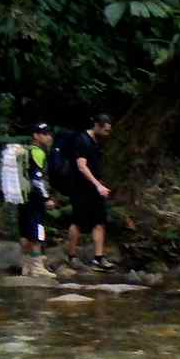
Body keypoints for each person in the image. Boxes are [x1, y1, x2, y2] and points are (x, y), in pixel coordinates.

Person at [65, 113, 114, 272]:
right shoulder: (82, 140)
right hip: (80, 188)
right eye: (105, 130)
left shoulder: (96, 142)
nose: (107, 133)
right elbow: (81, 166)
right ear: (97, 126)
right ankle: (71, 256)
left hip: (95, 189)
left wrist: (99, 185)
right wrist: (97, 185)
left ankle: (98, 258)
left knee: (99, 221)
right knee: (78, 221)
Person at [18, 123, 57, 279]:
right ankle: (37, 267)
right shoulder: (38, 152)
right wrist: (46, 198)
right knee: (37, 230)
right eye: (45, 134)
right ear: (36, 135)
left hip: (22, 196)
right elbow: (37, 179)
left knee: (25, 231)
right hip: (35, 198)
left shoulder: (25, 151)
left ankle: (26, 266)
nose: (49, 137)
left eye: (49, 134)